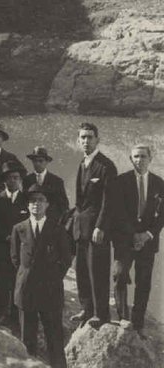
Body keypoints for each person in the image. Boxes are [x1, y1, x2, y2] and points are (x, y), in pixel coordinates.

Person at [103, 144, 164, 334]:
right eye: (135, 157)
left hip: (148, 241)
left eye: (143, 156)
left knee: (143, 282)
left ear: (150, 158)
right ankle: (123, 318)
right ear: (130, 159)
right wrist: (133, 234)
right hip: (124, 238)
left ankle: (138, 324)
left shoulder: (159, 183)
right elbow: (117, 212)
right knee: (119, 274)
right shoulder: (121, 181)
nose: (139, 160)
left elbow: (162, 215)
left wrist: (148, 235)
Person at [11, 185, 71, 368]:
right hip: (27, 289)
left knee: (55, 339)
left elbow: (66, 260)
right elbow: (15, 259)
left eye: (41, 200)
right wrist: (27, 276)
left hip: (50, 289)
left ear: (47, 204)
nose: (36, 204)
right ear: (28, 205)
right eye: (32, 200)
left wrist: (51, 277)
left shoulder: (58, 229)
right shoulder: (18, 228)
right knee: (27, 340)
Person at [69, 122, 117, 327]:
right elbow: (80, 201)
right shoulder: (83, 163)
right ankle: (87, 309)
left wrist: (101, 227)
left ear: (98, 139)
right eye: (82, 138)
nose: (86, 141)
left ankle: (101, 314)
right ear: (78, 140)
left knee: (97, 270)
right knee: (81, 270)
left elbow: (109, 201)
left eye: (90, 137)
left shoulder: (106, 166)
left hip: (97, 229)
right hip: (81, 227)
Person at [0, 161, 29, 324]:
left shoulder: (25, 200)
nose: (13, 181)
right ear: (4, 180)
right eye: (10, 178)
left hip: (20, 248)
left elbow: (27, 223)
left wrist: (17, 238)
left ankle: (16, 316)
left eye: (16, 178)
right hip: (1, 246)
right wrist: (5, 236)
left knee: (18, 281)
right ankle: (0, 312)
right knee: (1, 280)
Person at [23, 146, 69, 225]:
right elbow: (24, 202)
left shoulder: (57, 181)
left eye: (40, 161)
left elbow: (63, 205)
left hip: (51, 222)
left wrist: (58, 222)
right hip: (32, 222)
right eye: (35, 161)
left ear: (47, 162)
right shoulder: (26, 180)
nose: (37, 163)